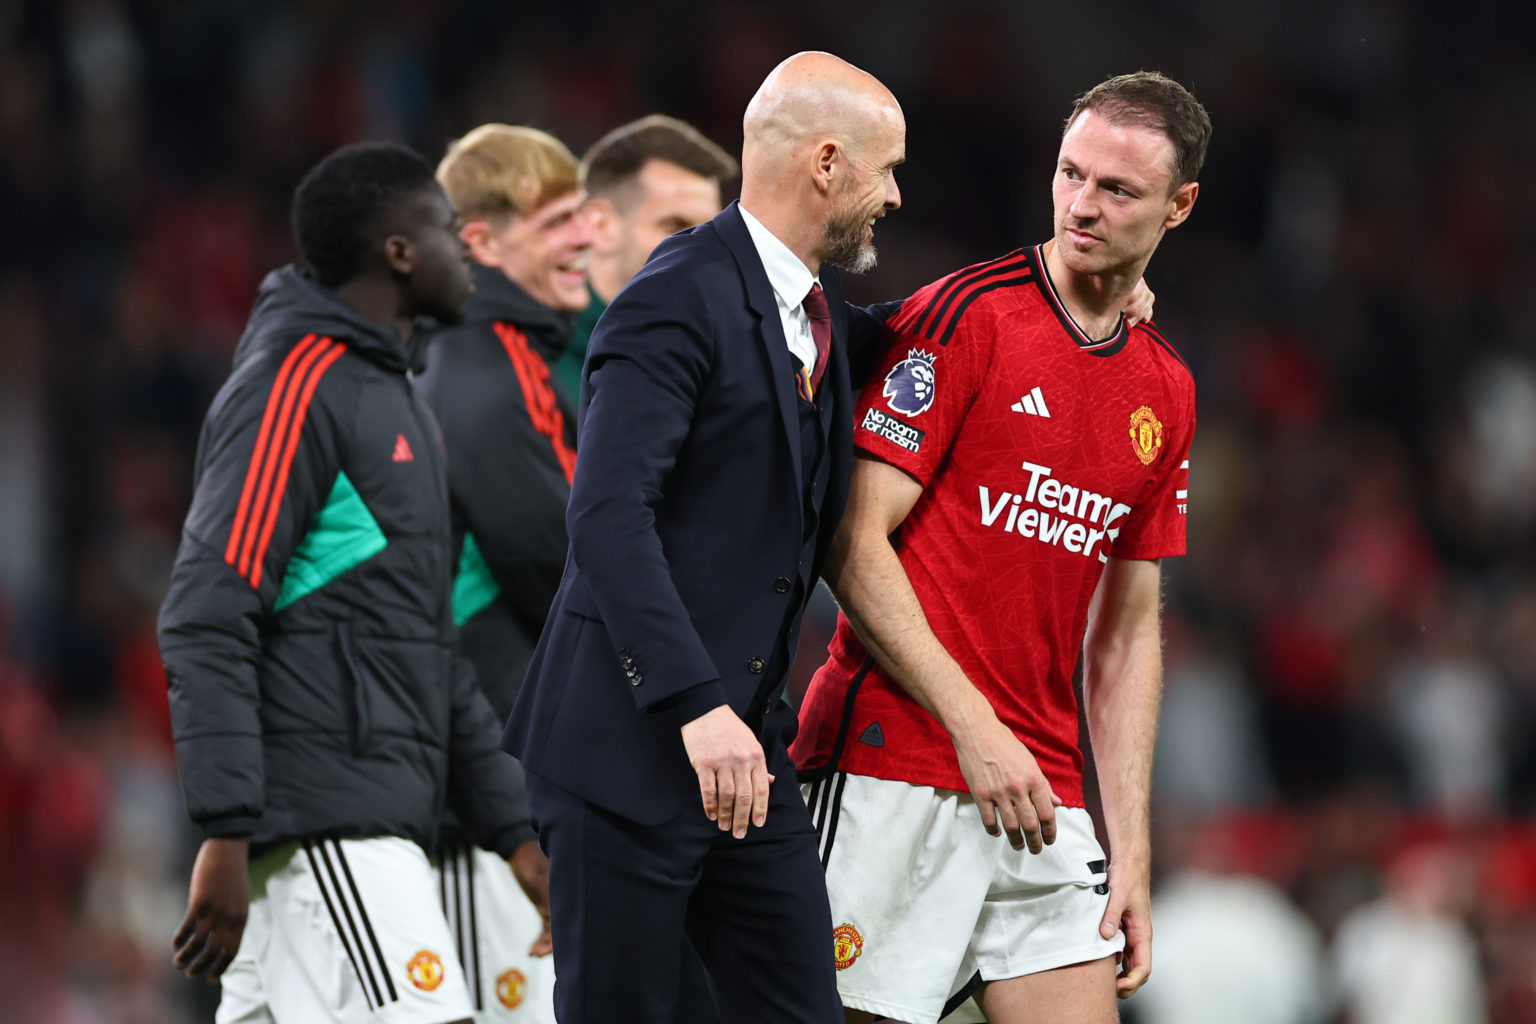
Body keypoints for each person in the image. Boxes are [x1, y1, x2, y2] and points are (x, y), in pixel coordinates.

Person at [791, 70, 1210, 1024]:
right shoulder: (969, 317)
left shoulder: (1166, 390)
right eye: (1071, 174)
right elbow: (853, 543)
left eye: (1118, 190)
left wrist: (1130, 846)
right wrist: (978, 731)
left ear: (1180, 206)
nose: (1082, 206)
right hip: (893, 765)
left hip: (1044, 794)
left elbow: (1126, 633)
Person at [503, 51, 906, 1023]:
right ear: (826, 164)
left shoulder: (815, 311)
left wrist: (1057, 286)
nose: (894, 196)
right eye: (886, 168)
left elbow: (922, 328)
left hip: (745, 758)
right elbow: (606, 514)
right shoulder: (673, 295)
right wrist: (694, 704)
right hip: (629, 753)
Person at [158, 141, 537, 1024]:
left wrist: (514, 834)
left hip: (361, 820)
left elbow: (430, 651)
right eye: (448, 229)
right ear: (398, 253)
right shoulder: (297, 384)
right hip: (326, 825)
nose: (467, 249)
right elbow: (206, 612)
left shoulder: (396, 399)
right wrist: (224, 826)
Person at [420, 122, 593, 1024]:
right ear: (480, 242)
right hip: (482, 811)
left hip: (498, 794)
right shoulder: (485, 378)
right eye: (558, 219)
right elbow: (578, 584)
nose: (588, 236)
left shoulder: (505, 364)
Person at [551, 114, 739, 402]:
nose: (703, 249)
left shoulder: (716, 357)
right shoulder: (539, 363)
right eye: (675, 226)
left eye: (710, 231)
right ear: (601, 226)